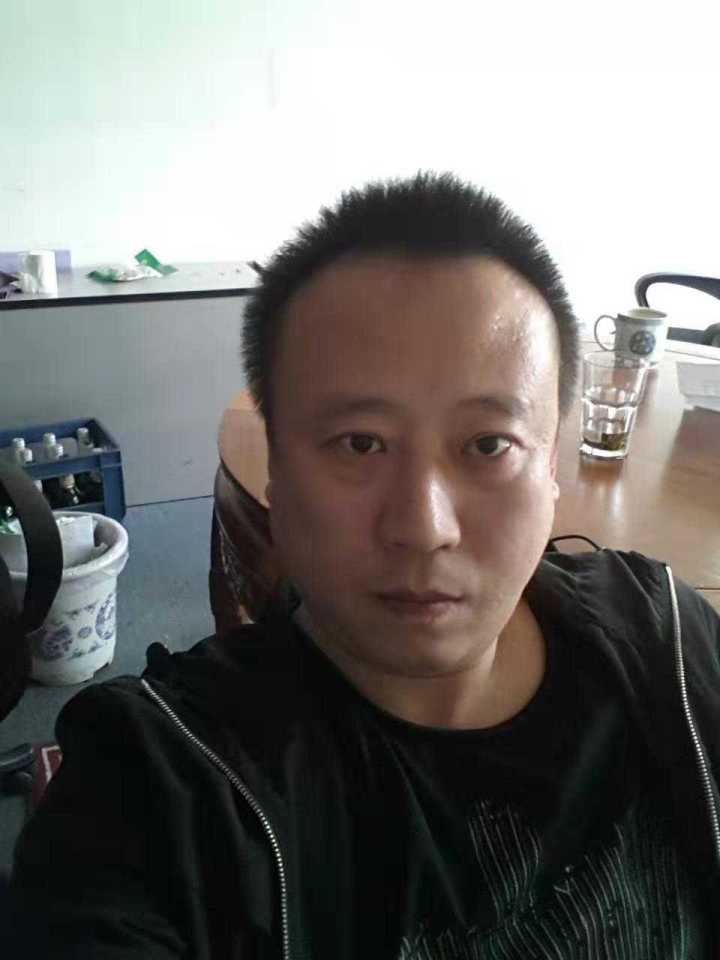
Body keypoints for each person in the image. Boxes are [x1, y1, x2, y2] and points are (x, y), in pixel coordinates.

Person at [8, 172, 720, 958]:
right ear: (276, 470)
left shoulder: (665, 642)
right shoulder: (160, 786)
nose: (424, 528)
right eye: (360, 443)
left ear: (550, 466)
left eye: (488, 444)